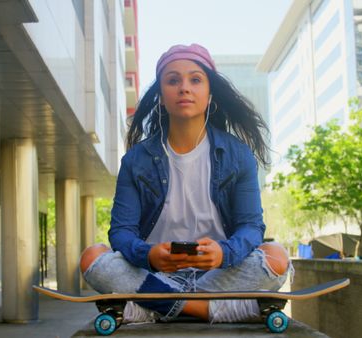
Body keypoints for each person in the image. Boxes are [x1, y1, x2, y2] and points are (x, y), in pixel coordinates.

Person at [78, 44, 291, 324]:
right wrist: (149, 255)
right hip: (154, 274)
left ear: (209, 94)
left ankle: (153, 307)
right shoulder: (136, 160)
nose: (184, 88)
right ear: (161, 98)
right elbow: (121, 231)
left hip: (218, 273)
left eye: (195, 79)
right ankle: (211, 309)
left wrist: (223, 253)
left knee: (277, 257)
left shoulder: (238, 155)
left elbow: (251, 227)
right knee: (92, 257)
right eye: (173, 80)